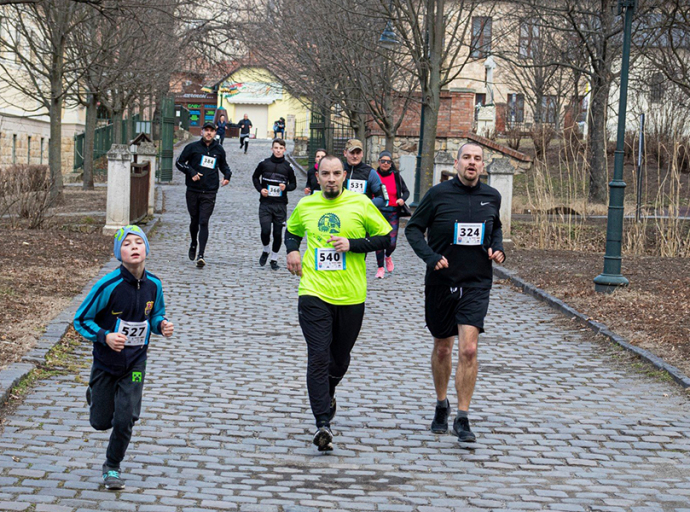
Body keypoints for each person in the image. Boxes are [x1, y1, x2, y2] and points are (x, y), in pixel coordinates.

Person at [285, 155, 392, 452]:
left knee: (340, 359)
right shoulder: (307, 205)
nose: (330, 178)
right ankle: (323, 423)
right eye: (325, 174)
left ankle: (328, 393)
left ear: (344, 175)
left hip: (351, 296)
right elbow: (292, 231)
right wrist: (292, 251)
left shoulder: (360, 204)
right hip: (313, 292)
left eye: (336, 173)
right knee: (318, 356)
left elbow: (386, 238)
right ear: (317, 177)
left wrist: (352, 244)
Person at [405, 143, 505, 444]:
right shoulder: (438, 195)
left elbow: (495, 228)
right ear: (457, 162)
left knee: (469, 350)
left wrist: (497, 247)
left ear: (483, 165)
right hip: (441, 280)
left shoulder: (492, 197)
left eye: (477, 159)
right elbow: (413, 229)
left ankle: (463, 417)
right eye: (466, 158)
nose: (471, 163)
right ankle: (441, 403)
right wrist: (430, 256)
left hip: (476, 280)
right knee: (443, 347)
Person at [74, 225, 174, 490]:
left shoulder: (154, 284)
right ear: (119, 253)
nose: (133, 247)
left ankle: (113, 466)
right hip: (106, 362)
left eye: (138, 243)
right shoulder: (108, 285)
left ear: (146, 249)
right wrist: (105, 336)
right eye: (126, 244)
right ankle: (95, 394)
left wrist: (161, 325)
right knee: (100, 422)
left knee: (125, 417)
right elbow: (81, 320)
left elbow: (155, 315)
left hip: (135, 361)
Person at [175, 121, 231, 267]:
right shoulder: (192, 147)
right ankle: (193, 242)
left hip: (210, 191)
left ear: (215, 133)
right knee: (194, 220)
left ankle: (201, 255)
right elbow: (179, 163)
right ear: (202, 132)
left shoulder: (219, 149)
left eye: (211, 131)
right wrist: (191, 172)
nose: (209, 133)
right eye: (206, 130)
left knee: (204, 221)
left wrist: (227, 176)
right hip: (193, 190)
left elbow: (224, 165)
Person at [252, 138, 297, 270]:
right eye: (276, 148)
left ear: (284, 150)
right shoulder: (264, 163)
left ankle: (274, 259)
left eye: (281, 148)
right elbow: (255, 177)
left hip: (280, 205)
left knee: (277, 234)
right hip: (265, 204)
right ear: (272, 149)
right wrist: (260, 189)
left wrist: (286, 188)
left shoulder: (288, 167)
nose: (278, 150)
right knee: (265, 230)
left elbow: (294, 184)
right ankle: (266, 250)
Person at [374, 150, 409, 279]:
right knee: (379, 241)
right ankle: (380, 268)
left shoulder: (396, 176)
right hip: (377, 212)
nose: (385, 163)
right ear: (379, 162)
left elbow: (406, 192)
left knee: (392, 242)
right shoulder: (374, 175)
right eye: (383, 161)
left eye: (388, 162)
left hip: (393, 211)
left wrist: (402, 199)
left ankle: (388, 256)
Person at [342, 139, 386, 208]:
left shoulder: (370, 172)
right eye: (352, 153)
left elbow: (383, 199)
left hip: (362, 214)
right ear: (345, 153)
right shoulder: (338, 170)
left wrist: (364, 204)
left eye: (358, 153)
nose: (355, 156)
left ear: (362, 154)